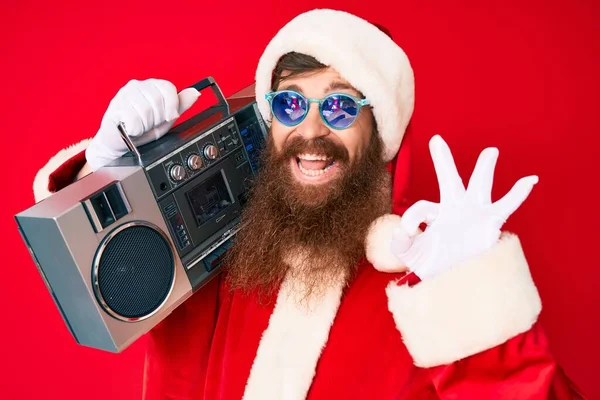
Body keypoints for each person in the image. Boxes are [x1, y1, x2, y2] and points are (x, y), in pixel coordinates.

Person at [32, 8, 585, 400]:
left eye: (342, 106)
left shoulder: (426, 281)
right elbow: (109, 287)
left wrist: (472, 303)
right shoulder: (226, 259)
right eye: (292, 103)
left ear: (381, 132)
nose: (312, 129)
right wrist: (106, 174)